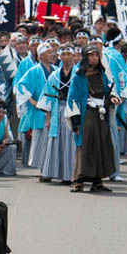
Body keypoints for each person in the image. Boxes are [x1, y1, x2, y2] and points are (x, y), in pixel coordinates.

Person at [67, 46, 119, 192]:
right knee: (85, 145)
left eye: (97, 55)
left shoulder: (102, 74)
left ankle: (97, 180)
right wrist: (76, 122)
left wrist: (112, 98)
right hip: (87, 114)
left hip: (100, 114)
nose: (95, 58)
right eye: (91, 55)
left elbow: (107, 92)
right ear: (85, 57)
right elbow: (73, 99)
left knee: (101, 145)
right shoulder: (78, 77)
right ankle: (78, 180)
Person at [38, 46, 77, 182]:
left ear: (73, 56)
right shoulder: (54, 76)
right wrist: (48, 118)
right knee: (54, 140)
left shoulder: (78, 74)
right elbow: (47, 97)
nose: (66, 57)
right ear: (60, 57)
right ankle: (50, 171)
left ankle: (68, 174)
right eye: (63, 54)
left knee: (69, 141)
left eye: (68, 54)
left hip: (73, 110)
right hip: (56, 109)